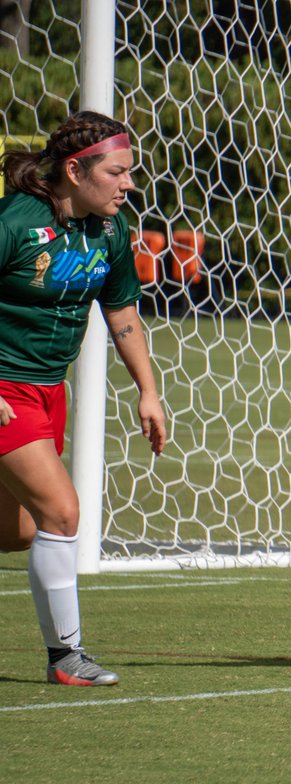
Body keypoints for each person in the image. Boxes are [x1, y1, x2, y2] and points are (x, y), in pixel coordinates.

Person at [0, 111, 167, 685]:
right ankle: (65, 658)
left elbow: (121, 312)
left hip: (48, 392)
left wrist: (148, 391)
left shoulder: (112, 231)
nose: (129, 185)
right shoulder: (14, 223)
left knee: (18, 533)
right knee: (62, 513)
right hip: (3, 390)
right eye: (118, 173)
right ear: (75, 170)